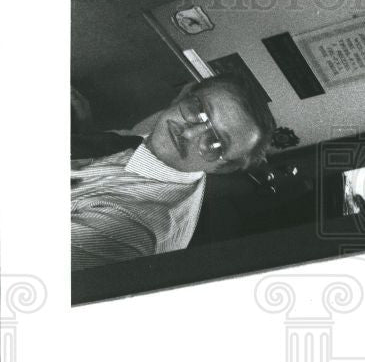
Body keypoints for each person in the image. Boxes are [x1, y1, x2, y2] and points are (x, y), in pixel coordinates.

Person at [71, 75, 275, 271]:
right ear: (183, 95)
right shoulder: (165, 139)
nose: (188, 133)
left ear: (222, 168)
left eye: (216, 142)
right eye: (199, 109)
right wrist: (85, 128)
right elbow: (126, 140)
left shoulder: (130, 227)